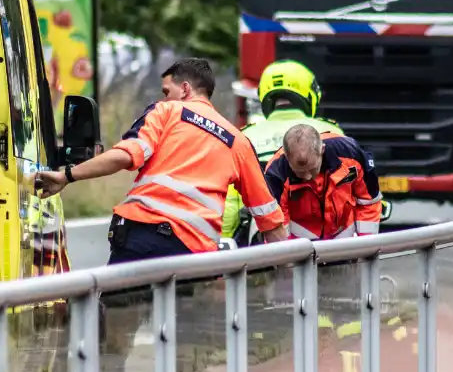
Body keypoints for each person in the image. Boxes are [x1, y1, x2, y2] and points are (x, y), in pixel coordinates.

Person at [34, 57, 289, 262]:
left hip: (144, 238)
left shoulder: (167, 111)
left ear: (186, 89)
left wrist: (66, 175)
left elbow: (125, 155)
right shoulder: (237, 141)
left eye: (167, 91)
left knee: (117, 324)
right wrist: (292, 277)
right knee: (181, 326)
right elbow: (269, 216)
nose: (164, 97)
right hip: (196, 256)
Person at [222, 59, 344, 246]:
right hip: (327, 245)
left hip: (266, 243)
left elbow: (231, 203)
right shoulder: (331, 132)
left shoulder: (244, 137)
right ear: (310, 94)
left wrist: (224, 241)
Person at [262, 124, 383, 240]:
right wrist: (288, 257)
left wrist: (366, 246)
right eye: (300, 172)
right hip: (300, 244)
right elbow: (277, 225)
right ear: (287, 157)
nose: (308, 177)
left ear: (322, 150)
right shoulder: (276, 175)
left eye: (312, 169)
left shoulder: (350, 154)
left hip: (344, 237)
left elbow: (369, 201)